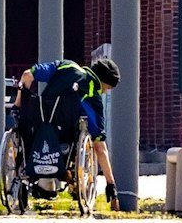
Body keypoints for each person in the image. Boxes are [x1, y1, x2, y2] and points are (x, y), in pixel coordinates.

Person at [14, 56, 120, 205]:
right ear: (103, 82)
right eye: (107, 88)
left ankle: (33, 182)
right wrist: (111, 185)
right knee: (76, 137)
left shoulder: (66, 66)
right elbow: (99, 145)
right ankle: (67, 183)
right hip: (64, 140)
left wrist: (18, 106)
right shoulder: (92, 95)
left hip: (37, 126)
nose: (105, 93)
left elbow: (27, 75)